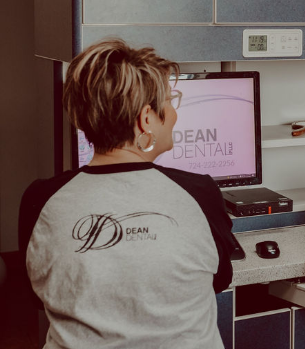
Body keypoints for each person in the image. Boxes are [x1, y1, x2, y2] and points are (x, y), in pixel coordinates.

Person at [18, 38, 236, 348]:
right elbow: (219, 279)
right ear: (146, 119)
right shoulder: (199, 192)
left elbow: (40, 296)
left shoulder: (40, 198)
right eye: (170, 101)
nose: (173, 114)